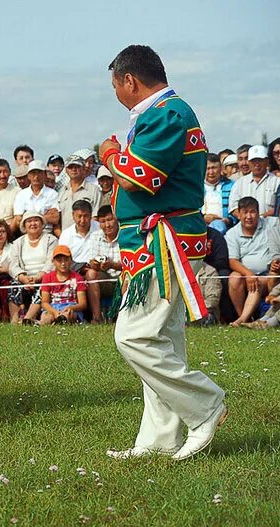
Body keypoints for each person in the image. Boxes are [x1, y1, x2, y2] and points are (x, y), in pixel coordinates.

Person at [99, 45, 226, 461]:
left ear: (129, 81)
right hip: (155, 243)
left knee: (133, 336)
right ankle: (159, 440)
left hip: (163, 244)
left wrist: (108, 154)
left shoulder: (167, 113)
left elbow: (143, 177)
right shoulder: (164, 114)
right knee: (162, 340)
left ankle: (205, 404)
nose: (116, 93)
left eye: (116, 85)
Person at [225, 196, 277, 327]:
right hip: (246, 275)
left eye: (253, 212)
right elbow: (232, 261)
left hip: (268, 275)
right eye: (245, 212)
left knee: (257, 281)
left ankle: (241, 320)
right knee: (234, 278)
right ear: (238, 214)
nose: (249, 216)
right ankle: (244, 318)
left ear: (259, 213)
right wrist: (249, 274)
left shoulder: (270, 224)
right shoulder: (232, 233)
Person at [7, 212, 57, 324]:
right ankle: (14, 321)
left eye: (36, 220)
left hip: (43, 277)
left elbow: (51, 262)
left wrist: (37, 278)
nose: (33, 224)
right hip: (25, 278)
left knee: (43, 285)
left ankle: (27, 320)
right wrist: (23, 278)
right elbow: (13, 265)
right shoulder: (18, 242)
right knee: (13, 285)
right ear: (24, 226)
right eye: (29, 221)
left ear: (42, 223)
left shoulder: (51, 239)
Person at [86, 205, 121, 323]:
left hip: (123, 277)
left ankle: (124, 318)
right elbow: (92, 261)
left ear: (116, 219)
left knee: (127, 275)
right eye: (103, 221)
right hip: (105, 277)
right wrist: (95, 264)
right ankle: (97, 318)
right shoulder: (95, 236)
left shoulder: (125, 234)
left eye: (110, 220)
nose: (107, 225)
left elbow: (129, 264)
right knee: (91, 274)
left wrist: (112, 265)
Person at [38, 245, 86, 325]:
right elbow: (44, 302)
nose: (63, 263)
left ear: (71, 260)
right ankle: (40, 323)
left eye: (66, 260)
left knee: (67, 315)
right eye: (59, 260)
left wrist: (70, 308)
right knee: (47, 317)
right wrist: (54, 312)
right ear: (53, 262)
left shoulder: (77, 278)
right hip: (53, 307)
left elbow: (83, 304)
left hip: (70, 307)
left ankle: (61, 321)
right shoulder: (47, 277)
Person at [227, 145, 280, 218]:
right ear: (249, 162)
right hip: (245, 226)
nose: (256, 164)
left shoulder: (277, 182)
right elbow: (233, 207)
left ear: (267, 161)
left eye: (260, 160)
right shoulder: (240, 183)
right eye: (253, 161)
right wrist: (246, 219)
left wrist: (260, 218)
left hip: (271, 225)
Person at [12, 160, 61, 237]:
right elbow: (18, 220)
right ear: (28, 175)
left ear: (44, 174)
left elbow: (55, 218)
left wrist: (28, 218)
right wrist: (45, 217)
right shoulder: (21, 195)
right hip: (27, 236)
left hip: (47, 234)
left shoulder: (52, 194)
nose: (36, 176)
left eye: (39, 173)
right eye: (33, 173)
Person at [58, 154, 101, 229]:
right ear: (66, 170)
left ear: (84, 169)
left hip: (88, 236)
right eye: (70, 167)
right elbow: (57, 220)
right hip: (66, 238)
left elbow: (96, 217)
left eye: (77, 166)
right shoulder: (61, 191)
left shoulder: (94, 190)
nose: (73, 169)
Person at [201, 153, 235, 234]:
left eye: (214, 168)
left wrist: (228, 220)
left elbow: (236, 207)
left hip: (225, 227)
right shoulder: (197, 187)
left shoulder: (231, 185)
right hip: (202, 225)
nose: (211, 172)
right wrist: (203, 217)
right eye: (208, 168)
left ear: (221, 168)